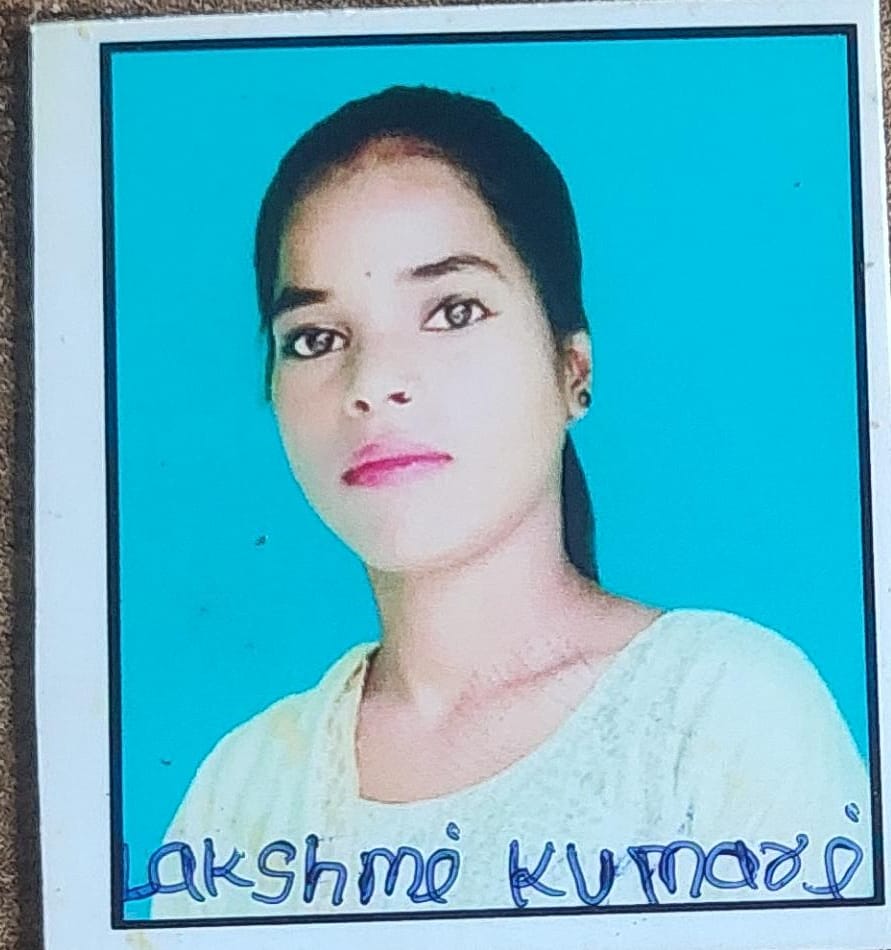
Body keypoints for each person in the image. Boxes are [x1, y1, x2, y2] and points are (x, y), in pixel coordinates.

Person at [148, 86, 872, 919]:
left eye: (452, 311)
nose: (373, 383)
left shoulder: (719, 712)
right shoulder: (242, 788)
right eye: (316, 338)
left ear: (572, 369)